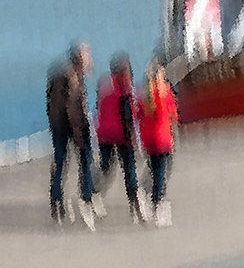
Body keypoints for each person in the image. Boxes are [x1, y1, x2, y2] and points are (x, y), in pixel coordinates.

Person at [47, 40, 97, 230]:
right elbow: (72, 108)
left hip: (58, 125)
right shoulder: (72, 77)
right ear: (78, 59)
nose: (90, 59)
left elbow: (51, 103)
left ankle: (56, 200)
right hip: (72, 126)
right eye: (86, 56)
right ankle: (86, 197)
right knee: (86, 160)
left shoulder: (59, 74)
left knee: (60, 162)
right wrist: (78, 131)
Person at [93, 53, 146, 224]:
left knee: (106, 168)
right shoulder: (125, 88)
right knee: (129, 171)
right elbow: (128, 116)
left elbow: (100, 108)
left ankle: (94, 193)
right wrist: (135, 141)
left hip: (104, 133)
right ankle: (136, 207)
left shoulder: (104, 84)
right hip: (121, 135)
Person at [138, 59, 180, 227]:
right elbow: (173, 116)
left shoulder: (146, 97)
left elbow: (139, 116)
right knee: (161, 174)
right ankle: (157, 206)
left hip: (150, 141)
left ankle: (145, 193)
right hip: (163, 140)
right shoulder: (163, 95)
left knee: (155, 170)